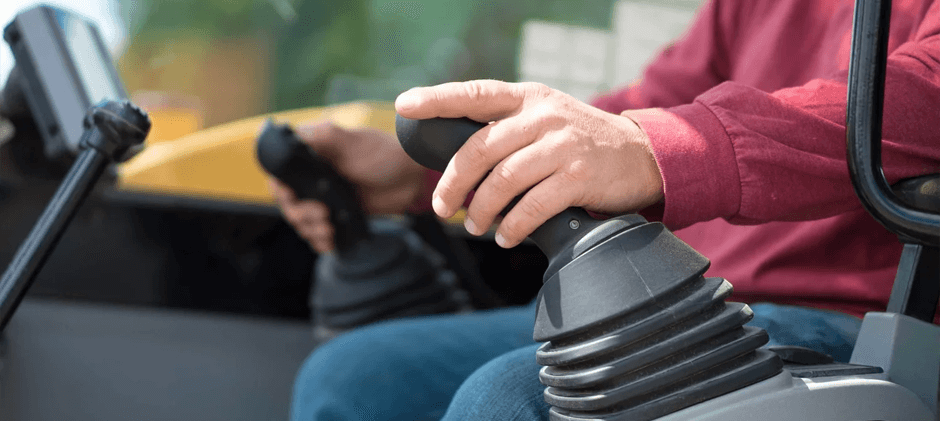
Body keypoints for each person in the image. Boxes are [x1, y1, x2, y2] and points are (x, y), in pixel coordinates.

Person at [270, 0, 940, 419]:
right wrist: (429, 171)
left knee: (506, 401)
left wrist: (658, 148)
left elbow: (924, 94)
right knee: (358, 378)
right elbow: (645, 108)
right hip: (706, 297)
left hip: (869, 322)